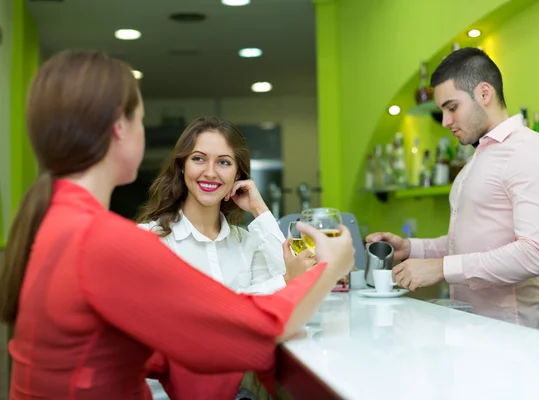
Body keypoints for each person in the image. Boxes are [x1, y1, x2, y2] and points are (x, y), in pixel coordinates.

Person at [0, 49, 355, 400]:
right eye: (141, 119)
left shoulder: (59, 223)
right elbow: (253, 333)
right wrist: (329, 268)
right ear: (119, 128)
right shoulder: (103, 241)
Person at [367, 47, 539, 331]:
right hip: (472, 334)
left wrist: (441, 268)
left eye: (452, 108)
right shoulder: (479, 158)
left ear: (484, 94)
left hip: (519, 340)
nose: (446, 121)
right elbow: (468, 242)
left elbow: (537, 254)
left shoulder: (531, 152)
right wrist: (412, 248)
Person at [136, 116, 315, 399]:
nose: (210, 172)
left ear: (238, 175)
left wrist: (260, 210)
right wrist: (284, 281)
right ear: (182, 166)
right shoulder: (148, 239)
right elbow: (205, 322)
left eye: (223, 162)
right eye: (198, 159)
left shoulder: (247, 241)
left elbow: (295, 306)